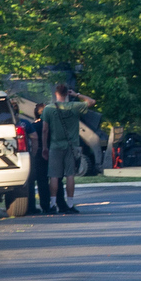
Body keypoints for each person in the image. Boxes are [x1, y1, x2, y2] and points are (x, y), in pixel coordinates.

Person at [42, 84, 96, 214]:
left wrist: (44, 147)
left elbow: (45, 129)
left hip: (55, 146)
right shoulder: (75, 106)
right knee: (70, 175)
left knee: (54, 176)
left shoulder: (48, 109)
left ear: (56, 93)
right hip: (72, 146)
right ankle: (70, 204)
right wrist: (76, 94)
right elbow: (92, 102)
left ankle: (53, 204)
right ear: (67, 93)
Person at [29, 103, 51, 214]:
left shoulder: (33, 126)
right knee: (50, 180)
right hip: (49, 152)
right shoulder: (50, 126)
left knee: (36, 181)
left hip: (36, 154)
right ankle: (50, 204)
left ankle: (38, 205)